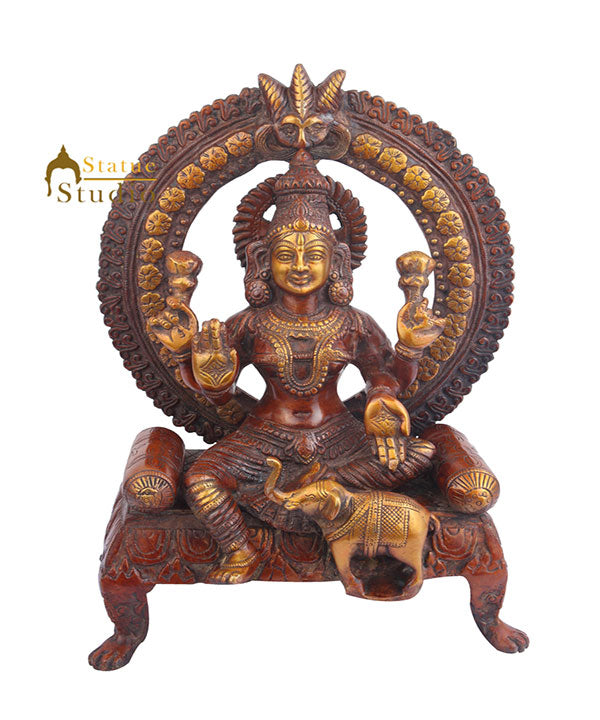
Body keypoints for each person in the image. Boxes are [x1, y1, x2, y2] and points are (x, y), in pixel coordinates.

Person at [150, 151, 436, 583]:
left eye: (313, 255)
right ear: (263, 261)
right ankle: (241, 550)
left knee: (420, 454)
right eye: (286, 255)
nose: (300, 267)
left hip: (338, 437)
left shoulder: (353, 323)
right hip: (264, 437)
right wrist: (191, 362)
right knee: (203, 479)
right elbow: (214, 387)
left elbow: (385, 375)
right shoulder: (250, 323)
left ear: (336, 262)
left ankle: (317, 486)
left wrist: (405, 357)